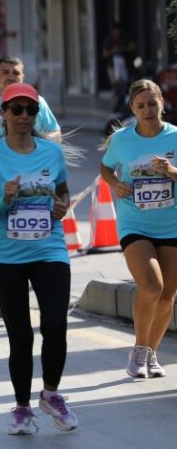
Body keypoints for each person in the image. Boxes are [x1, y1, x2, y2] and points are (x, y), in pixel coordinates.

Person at [0, 82, 78, 435]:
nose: (24, 117)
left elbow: (62, 193)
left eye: (30, 110)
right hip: (5, 257)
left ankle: (51, 393)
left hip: (49, 249)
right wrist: (4, 201)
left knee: (56, 326)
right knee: (21, 336)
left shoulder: (50, 153)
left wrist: (62, 207)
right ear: (3, 114)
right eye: (16, 110)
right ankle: (21, 406)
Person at [99, 79, 177, 379]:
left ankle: (151, 353)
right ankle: (138, 350)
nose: (147, 110)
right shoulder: (122, 139)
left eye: (152, 103)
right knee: (152, 286)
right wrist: (114, 183)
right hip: (135, 222)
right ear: (132, 108)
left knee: (168, 293)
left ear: (162, 103)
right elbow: (106, 166)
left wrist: (171, 171)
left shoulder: (174, 137)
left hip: (170, 223)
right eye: (140, 105)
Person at [0, 57, 60, 160]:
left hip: (31, 169)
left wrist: (39, 146)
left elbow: (56, 133)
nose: (11, 77)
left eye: (16, 73)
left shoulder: (38, 102)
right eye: (5, 72)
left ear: (22, 77)